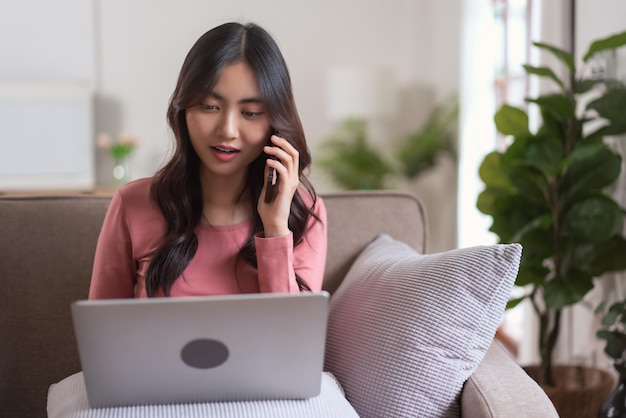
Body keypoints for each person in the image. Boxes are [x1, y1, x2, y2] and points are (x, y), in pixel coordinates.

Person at [89, 22, 327, 299]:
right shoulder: (133, 204)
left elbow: (293, 335)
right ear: (183, 110)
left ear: (274, 123)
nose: (227, 130)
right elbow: (103, 332)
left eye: (250, 113)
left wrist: (275, 229)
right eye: (210, 107)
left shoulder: (303, 213)